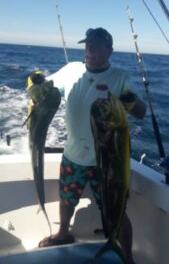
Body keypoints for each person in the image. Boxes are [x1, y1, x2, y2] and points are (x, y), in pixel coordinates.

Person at [39, 28, 146, 264]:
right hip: (74, 153)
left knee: (116, 208)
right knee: (67, 199)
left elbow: (140, 113)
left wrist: (129, 101)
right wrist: (37, 83)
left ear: (109, 51)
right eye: (88, 45)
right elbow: (46, 89)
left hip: (108, 160)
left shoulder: (120, 77)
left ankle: (127, 257)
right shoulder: (71, 70)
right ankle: (63, 232)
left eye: (97, 46)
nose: (90, 50)